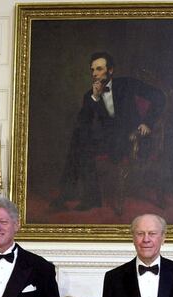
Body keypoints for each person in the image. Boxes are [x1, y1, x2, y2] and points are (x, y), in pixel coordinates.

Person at [53, 51, 166, 213]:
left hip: (133, 138)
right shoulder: (90, 95)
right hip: (109, 140)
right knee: (79, 137)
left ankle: (76, 195)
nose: (94, 74)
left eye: (99, 69)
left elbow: (159, 96)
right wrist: (95, 99)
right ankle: (83, 197)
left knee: (81, 142)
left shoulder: (127, 84)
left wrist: (147, 122)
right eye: (92, 70)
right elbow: (83, 122)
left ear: (110, 70)